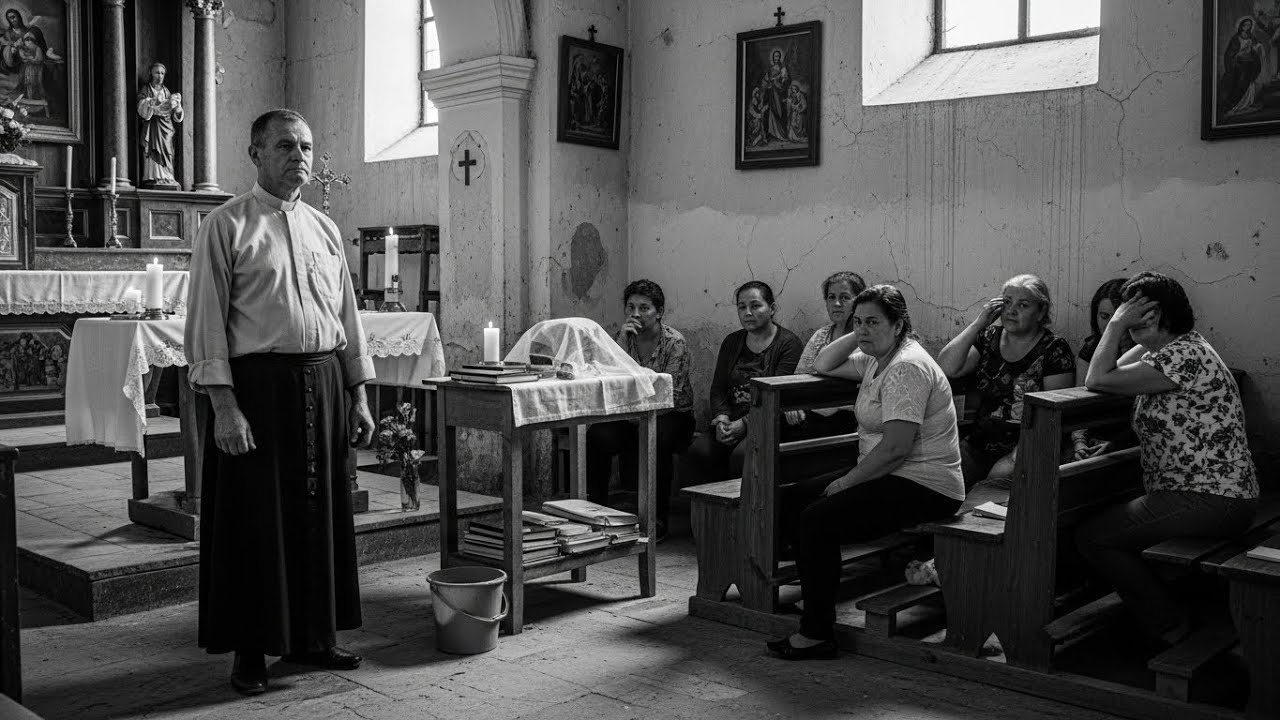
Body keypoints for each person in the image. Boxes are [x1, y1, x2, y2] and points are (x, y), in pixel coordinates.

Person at [185, 108, 376, 696]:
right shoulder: (226, 225)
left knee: (319, 515)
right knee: (254, 522)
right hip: (258, 392)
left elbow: (346, 317)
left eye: (307, 147)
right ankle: (249, 650)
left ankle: (314, 638)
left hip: (322, 383)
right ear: (256, 153)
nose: (300, 156)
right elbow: (207, 323)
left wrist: (359, 393)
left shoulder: (324, 227)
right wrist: (224, 407)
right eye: (286, 146)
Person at [766, 285, 964, 659]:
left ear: (899, 324)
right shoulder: (877, 358)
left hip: (926, 485)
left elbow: (896, 448)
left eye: (873, 322)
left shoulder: (907, 366)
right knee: (790, 499)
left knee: (816, 522)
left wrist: (846, 482)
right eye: (858, 322)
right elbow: (822, 364)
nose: (863, 330)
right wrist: (857, 334)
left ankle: (817, 632)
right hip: (890, 473)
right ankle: (808, 586)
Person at [1077, 271, 1258, 646]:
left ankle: (1169, 625)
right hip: (1211, 495)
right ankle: (1156, 616)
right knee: (1101, 528)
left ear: (1157, 313)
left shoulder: (1184, 355)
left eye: (1134, 307)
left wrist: (1114, 324)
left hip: (1211, 498)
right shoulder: (1174, 349)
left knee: (1094, 537)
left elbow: (1097, 379)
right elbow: (1115, 371)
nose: (1127, 315)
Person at [937, 274, 1075, 490]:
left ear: (1040, 313)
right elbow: (948, 367)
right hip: (977, 443)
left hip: (1025, 446)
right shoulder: (989, 337)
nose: (1011, 310)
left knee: (989, 490)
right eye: (1007, 302)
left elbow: (1054, 415)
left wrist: (1017, 455)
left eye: (1023, 305)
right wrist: (979, 323)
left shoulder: (1054, 350)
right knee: (942, 485)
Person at [585, 280, 695, 541]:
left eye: (644, 308)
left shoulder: (674, 342)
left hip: (672, 415)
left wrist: (639, 417)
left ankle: (657, 520)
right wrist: (621, 340)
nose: (636, 313)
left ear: (659, 312)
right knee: (597, 435)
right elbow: (609, 378)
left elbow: (672, 394)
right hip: (632, 415)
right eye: (631, 307)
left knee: (658, 439)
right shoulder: (623, 339)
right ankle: (595, 511)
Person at [684, 280, 803, 484]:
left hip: (769, 422)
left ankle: (747, 514)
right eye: (742, 307)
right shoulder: (732, 342)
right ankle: (713, 515)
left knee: (743, 456)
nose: (747, 312)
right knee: (699, 451)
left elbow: (779, 395)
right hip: (731, 421)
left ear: (772, 308)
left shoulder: (788, 344)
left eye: (755, 306)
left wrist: (745, 424)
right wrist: (722, 419)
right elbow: (718, 388)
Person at [784, 270, 866, 437]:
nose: (836, 303)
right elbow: (799, 378)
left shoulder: (866, 339)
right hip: (813, 414)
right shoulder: (821, 336)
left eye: (844, 297)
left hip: (851, 419)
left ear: (859, 301)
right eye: (831, 297)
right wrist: (794, 405)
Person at [1071, 278, 1134, 460]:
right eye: (1104, 317)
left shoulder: (1145, 350)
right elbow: (1077, 405)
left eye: (1119, 318)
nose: (1111, 325)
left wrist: (1116, 445)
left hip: (1131, 441)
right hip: (1092, 437)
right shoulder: (1091, 349)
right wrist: (1079, 441)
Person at [137, 61, 184, 188]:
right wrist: (152, 101)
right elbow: (141, 107)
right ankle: (153, 177)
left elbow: (175, 114)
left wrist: (178, 107)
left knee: (168, 151)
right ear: (151, 73)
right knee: (152, 150)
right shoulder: (146, 89)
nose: (160, 76)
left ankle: (167, 176)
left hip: (166, 127)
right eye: (157, 72)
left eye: (162, 73)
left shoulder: (166, 91)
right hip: (152, 127)